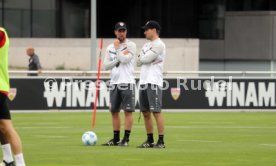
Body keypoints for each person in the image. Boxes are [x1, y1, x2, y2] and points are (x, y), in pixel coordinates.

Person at [102, 22, 136, 146]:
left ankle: (125, 139)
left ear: (126, 32)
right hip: (114, 83)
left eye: (123, 30)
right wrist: (117, 58)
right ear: (115, 32)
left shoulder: (131, 45)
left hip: (127, 82)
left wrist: (117, 50)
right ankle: (116, 139)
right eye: (119, 31)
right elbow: (106, 66)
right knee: (114, 111)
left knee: (128, 111)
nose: (121, 33)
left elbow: (125, 59)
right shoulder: (109, 47)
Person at [137, 21, 166, 148]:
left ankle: (161, 141)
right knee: (145, 112)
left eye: (146, 29)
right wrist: (144, 58)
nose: (144, 32)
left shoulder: (159, 44)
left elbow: (145, 59)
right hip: (143, 81)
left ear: (154, 30)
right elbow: (138, 61)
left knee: (156, 112)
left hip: (153, 81)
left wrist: (144, 58)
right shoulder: (146, 45)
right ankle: (150, 140)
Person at [0, 27, 26, 166]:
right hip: (1, 87)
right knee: (5, 127)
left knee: (6, 128)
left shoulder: (1, 32)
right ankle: (12, 161)